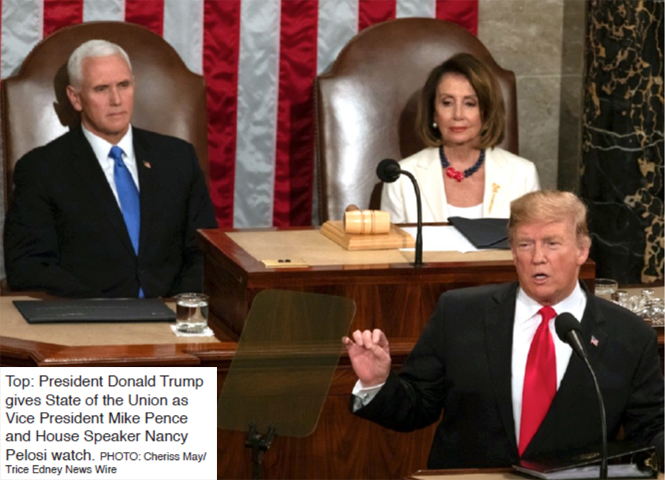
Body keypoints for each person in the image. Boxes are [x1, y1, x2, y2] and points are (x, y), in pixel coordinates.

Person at [345, 190, 663, 469]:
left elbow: (651, 432)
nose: (538, 257)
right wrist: (377, 383)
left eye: (552, 243)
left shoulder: (630, 336)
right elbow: (416, 407)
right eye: (525, 244)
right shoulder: (460, 313)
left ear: (582, 250)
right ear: (512, 251)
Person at [3, 40, 217, 298]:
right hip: (87, 323)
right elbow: (27, 266)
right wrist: (102, 309)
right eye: (101, 89)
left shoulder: (178, 158)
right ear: (75, 97)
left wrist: (179, 305)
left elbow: (205, 252)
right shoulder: (41, 169)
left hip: (173, 317)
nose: (116, 100)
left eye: (123, 85)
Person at [381, 53, 540, 223]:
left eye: (470, 103)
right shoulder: (402, 178)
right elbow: (392, 249)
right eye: (447, 103)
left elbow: (534, 246)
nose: (458, 115)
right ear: (434, 113)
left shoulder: (522, 175)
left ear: (486, 113)